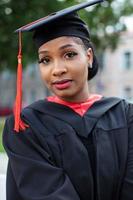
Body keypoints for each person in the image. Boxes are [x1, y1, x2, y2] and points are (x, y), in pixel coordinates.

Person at [2, 0, 133, 200]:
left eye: (69, 54)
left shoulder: (125, 115)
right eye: (45, 60)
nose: (57, 69)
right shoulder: (25, 126)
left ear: (88, 57)